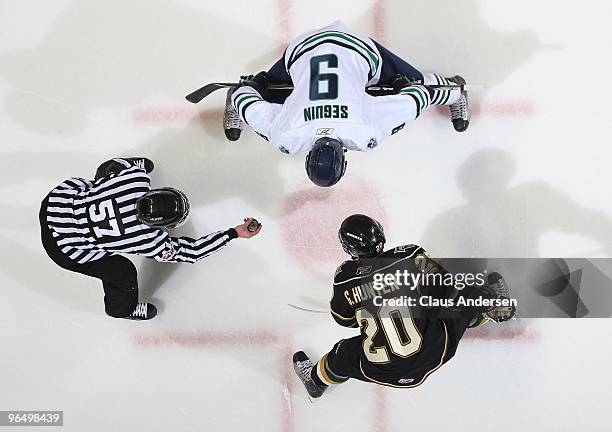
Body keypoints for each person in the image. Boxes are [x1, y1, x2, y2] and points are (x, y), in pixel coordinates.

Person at [224, 20, 470, 187]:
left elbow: (415, 100)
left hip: (356, 47)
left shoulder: (365, 134)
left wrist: (403, 86)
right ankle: (450, 90)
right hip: (302, 47)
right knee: (264, 95)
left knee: (418, 84)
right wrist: (250, 88)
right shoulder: (286, 138)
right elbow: (242, 98)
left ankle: (454, 90)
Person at [292, 214, 515, 397]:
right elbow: (442, 285)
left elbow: (343, 319)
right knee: (454, 302)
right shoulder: (409, 254)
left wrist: (370, 303)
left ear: (350, 249)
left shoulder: (344, 277)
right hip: (432, 352)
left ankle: (315, 381)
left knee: (341, 355)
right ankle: (491, 308)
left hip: (381, 369)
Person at [39, 157, 261, 320]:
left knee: (105, 175)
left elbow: (119, 165)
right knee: (123, 271)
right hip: (63, 248)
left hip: (55, 203)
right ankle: (121, 309)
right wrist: (233, 233)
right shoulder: (147, 240)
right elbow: (192, 252)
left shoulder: (136, 179)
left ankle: (102, 186)